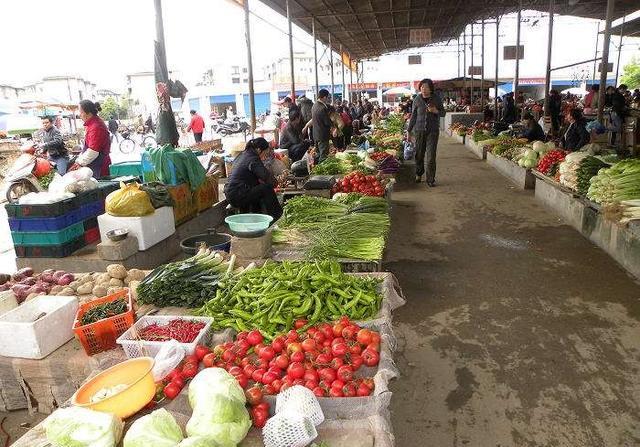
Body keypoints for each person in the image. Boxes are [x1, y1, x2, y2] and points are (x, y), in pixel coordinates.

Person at [223, 137, 282, 221]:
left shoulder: (243, 155)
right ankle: (277, 217)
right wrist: (275, 182)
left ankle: (257, 217)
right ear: (259, 149)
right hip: (237, 194)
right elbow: (266, 176)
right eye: (265, 153)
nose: (265, 156)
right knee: (267, 188)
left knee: (257, 189)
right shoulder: (253, 158)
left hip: (231, 193)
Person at [407, 78, 445, 186]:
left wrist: (435, 111)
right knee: (419, 154)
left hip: (432, 131)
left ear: (431, 89)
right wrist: (409, 131)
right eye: (422, 87)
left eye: (426, 87)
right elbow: (413, 116)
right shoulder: (417, 100)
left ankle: (430, 179)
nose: (424, 89)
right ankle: (419, 173)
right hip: (419, 131)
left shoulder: (436, 99)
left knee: (431, 156)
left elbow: (443, 113)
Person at [71, 100, 111, 178]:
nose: (80, 115)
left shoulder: (96, 126)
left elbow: (93, 151)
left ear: (88, 113)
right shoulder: (92, 124)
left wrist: (79, 163)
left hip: (99, 166)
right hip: (94, 163)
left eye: (81, 112)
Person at [311, 89, 333, 161]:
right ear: (324, 97)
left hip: (316, 134)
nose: (328, 99)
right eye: (328, 97)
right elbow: (327, 122)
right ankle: (321, 171)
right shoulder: (323, 108)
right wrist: (334, 126)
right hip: (323, 135)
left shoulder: (314, 106)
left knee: (318, 154)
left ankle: (316, 169)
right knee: (323, 155)